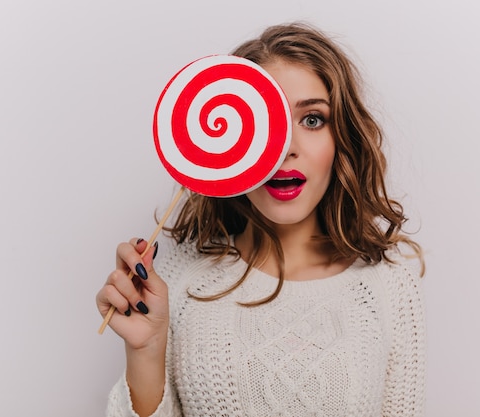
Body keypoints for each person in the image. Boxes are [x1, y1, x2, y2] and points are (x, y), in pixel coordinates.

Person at [96, 22, 426, 417]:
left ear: (343, 139)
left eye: (312, 120)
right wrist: (146, 351)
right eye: (266, 122)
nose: (286, 148)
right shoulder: (181, 280)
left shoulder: (389, 289)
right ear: (230, 144)